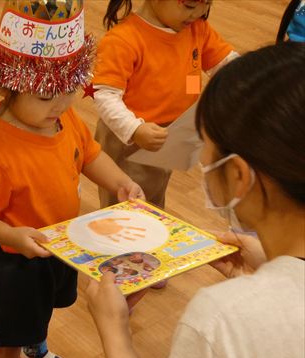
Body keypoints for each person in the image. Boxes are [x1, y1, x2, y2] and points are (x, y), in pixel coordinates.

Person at [68, 42, 305, 358]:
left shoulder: (225, 319)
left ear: (238, 175)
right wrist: (274, 265)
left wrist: (116, 335)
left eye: (205, 151)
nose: (200, 163)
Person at [0, 0, 145, 358]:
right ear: (7, 86)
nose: (60, 104)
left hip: (60, 245)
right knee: (7, 337)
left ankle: (35, 349)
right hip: (15, 260)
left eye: (70, 90)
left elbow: (89, 156)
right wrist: (11, 234)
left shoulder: (64, 118)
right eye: (45, 96)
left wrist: (120, 181)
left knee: (42, 312)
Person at [92, 0, 237, 209]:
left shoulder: (196, 28)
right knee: (125, 205)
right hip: (129, 140)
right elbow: (105, 95)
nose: (199, 12)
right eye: (189, 6)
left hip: (170, 135)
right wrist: (134, 129)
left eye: (207, 4)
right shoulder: (123, 40)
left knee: (153, 198)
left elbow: (225, 63)